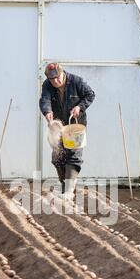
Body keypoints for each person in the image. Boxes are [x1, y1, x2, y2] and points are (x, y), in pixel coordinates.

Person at [39, 62, 95, 198]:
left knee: (73, 155)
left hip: (76, 125)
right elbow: (44, 100)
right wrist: (47, 112)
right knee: (57, 157)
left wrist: (80, 107)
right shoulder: (47, 85)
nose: (56, 81)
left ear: (63, 73)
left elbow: (90, 94)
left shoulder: (76, 81)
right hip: (58, 126)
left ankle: (69, 191)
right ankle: (65, 187)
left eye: (58, 77)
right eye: (52, 79)